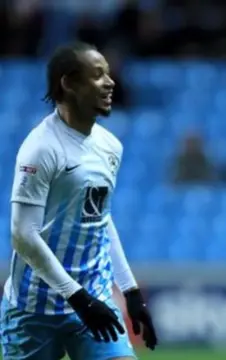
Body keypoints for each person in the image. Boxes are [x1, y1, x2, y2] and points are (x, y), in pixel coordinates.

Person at [0, 42, 157, 360]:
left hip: (95, 302)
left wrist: (131, 291)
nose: (110, 82)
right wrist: (79, 298)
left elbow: (99, 218)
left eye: (109, 74)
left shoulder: (110, 146)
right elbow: (22, 234)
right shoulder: (41, 148)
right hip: (35, 310)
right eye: (98, 75)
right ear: (68, 83)